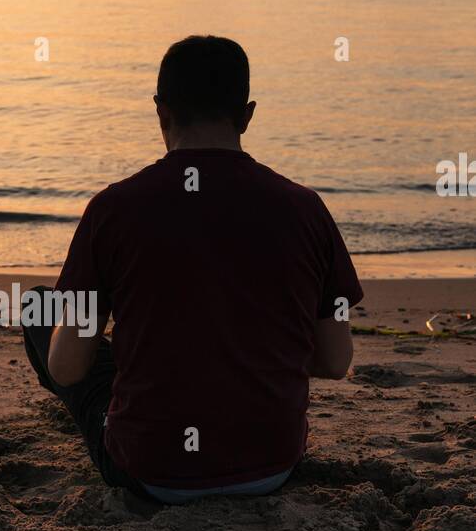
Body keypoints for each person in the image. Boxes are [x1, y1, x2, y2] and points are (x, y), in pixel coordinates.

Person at [22, 34, 363, 506]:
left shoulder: (114, 210)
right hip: (271, 466)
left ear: (161, 112)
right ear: (247, 115)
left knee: (40, 306)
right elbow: (334, 360)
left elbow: (68, 366)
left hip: (152, 471)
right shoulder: (305, 209)